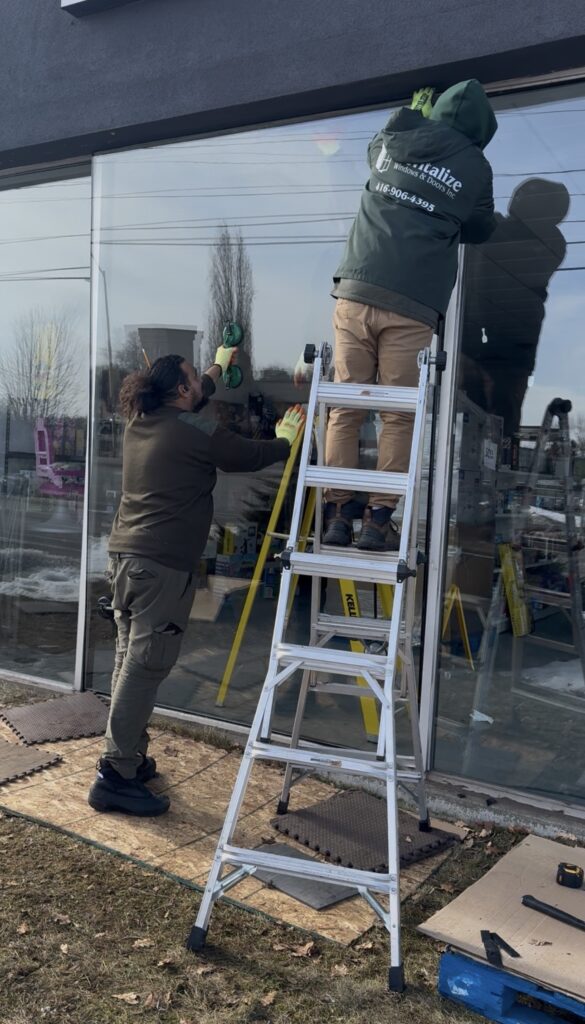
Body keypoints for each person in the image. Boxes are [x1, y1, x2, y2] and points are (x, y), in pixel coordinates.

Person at [88, 347, 305, 817]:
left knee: (130, 660)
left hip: (126, 558)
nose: (200, 385)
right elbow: (244, 455)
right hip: (161, 566)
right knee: (146, 666)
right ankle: (115, 773)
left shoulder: (142, 421)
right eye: (193, 379)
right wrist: (284, 440)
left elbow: (199, 388)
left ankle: (127, 754)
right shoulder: (196, 430)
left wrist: (216, 365)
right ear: (181, 391)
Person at [322, 80, 498, 551]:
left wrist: (407, 115)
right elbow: (480, 227)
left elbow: (373, 151)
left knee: (346, 408)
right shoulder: (476, 167)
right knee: (396, 417)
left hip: (356, 290)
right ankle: (379, 520)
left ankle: (339, 514)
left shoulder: (398, 133)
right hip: (411, 303)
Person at [461, 177, 569, 439]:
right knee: (501, 425)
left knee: (467, 420)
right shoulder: (554, 244)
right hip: (516, 350)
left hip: (476, 343)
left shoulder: (497, 233)